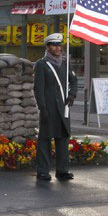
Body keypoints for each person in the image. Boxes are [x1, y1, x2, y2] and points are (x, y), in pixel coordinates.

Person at [34, 33, 78, 181]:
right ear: (48, 47)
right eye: (54, 45)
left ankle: (62, 170)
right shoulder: (41, 64)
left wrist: (72, 94)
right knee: (45, 140)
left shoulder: (65, 63)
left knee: (63, 139)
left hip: (64, 108)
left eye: (59, 45)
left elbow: (74, 80)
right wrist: (42, 108)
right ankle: (43, 171)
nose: (57, 48)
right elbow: (38, 88)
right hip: (49, 107)